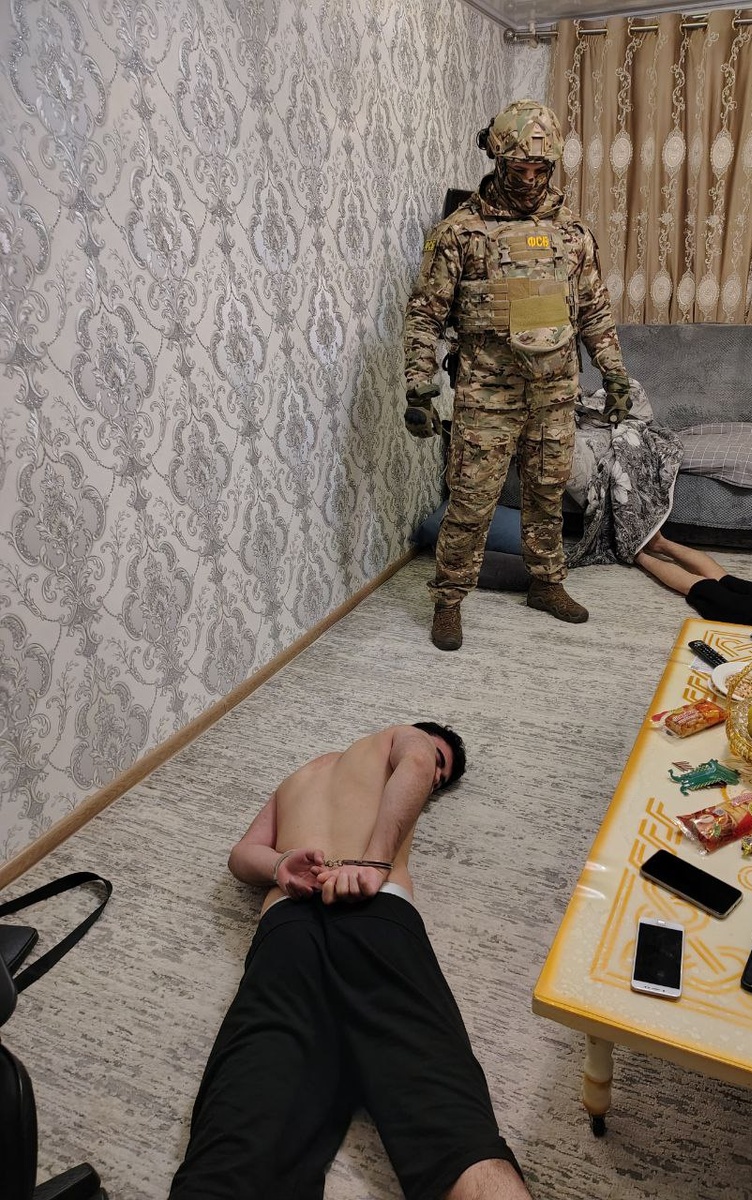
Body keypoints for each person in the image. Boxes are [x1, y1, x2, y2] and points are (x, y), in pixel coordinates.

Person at [168, 721, 532, 1200]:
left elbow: (241, 855)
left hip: (286, 929)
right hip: (373, 912)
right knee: (451, 1128)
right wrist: (374, 861)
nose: (433, 780)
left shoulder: (297, 778)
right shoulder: (402, 737)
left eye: (439, 781)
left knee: (238, 1135)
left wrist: (279, 865)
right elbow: (418, 761)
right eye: (440, 766)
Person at [404, 98, 632, 652]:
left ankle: (546, 583)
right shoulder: (460, 233)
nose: (529, 181)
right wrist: (419, 386)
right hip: (487, 393)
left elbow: (595, 311)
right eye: (518, 169)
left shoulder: (573, 233)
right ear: (497, 160)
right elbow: (425, 314)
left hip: (554, 391)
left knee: (547, 492)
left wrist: (616, 375)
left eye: (539, 170)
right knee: (471, 500)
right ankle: (449, 599)